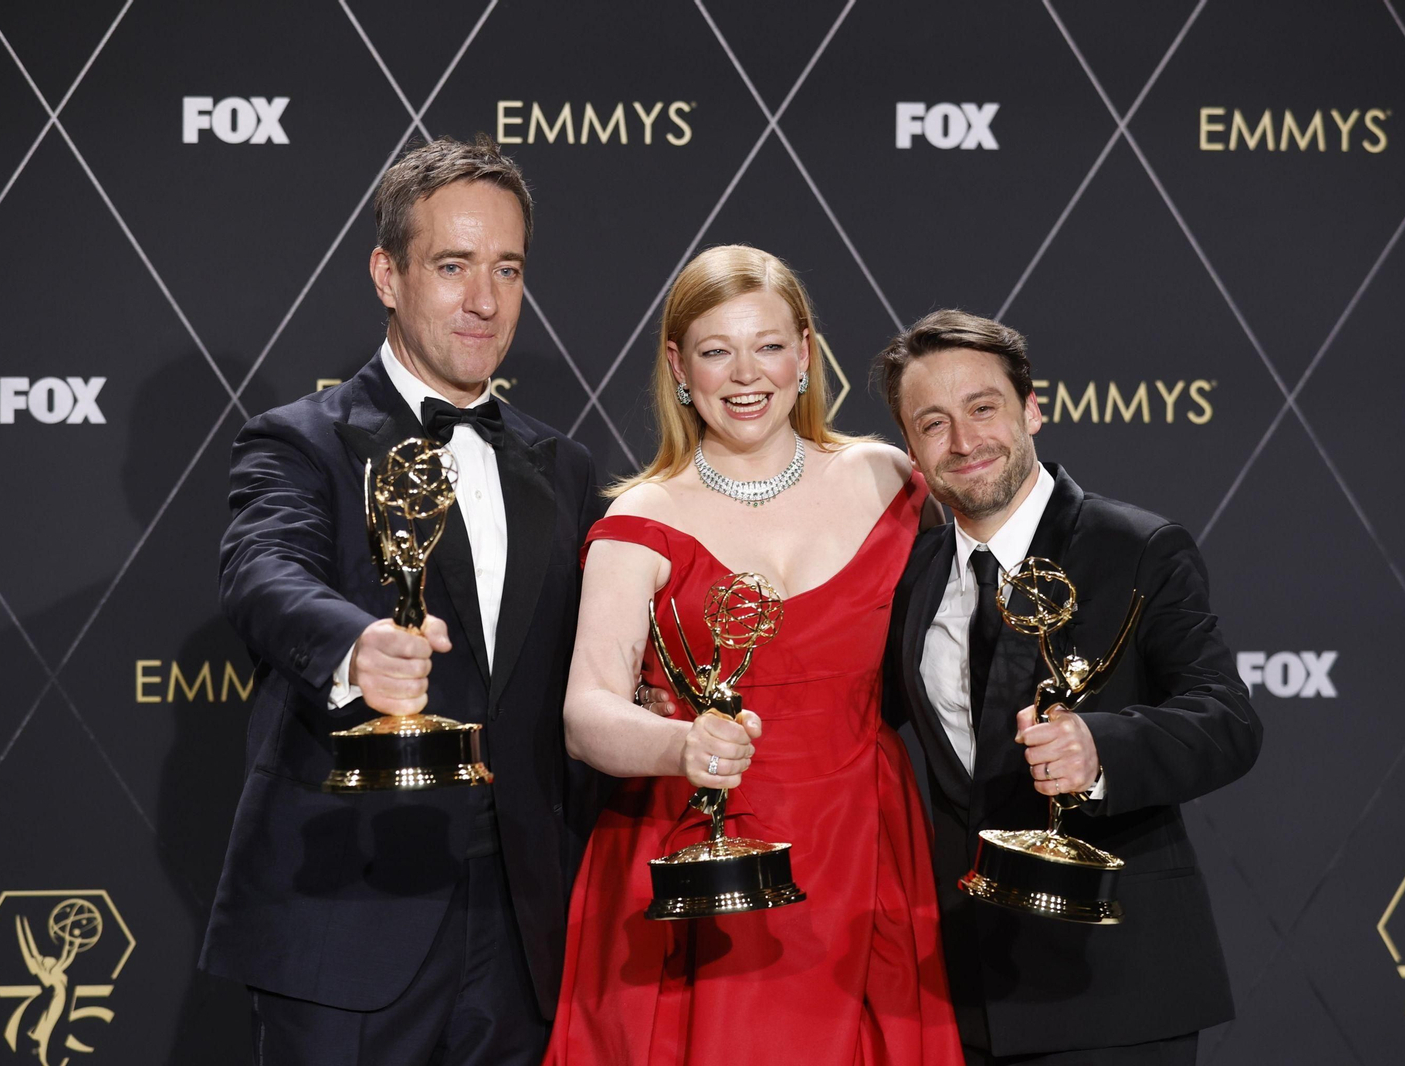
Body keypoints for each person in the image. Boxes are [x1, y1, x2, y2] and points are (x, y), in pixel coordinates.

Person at [199, 135, 602, 1065]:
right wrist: (354, 648)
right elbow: (264, 571)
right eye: (453, 266)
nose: (485, 300)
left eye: (507, 268)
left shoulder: (564, 465)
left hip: (525, 928)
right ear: (388, 274)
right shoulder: (301, 441)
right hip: (347, 913)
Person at [543, 245, 964, 1065]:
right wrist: (681, 744)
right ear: (678, 367)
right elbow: (586, 713)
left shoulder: (889, 481)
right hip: (700, 853)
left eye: (768, 346)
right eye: (715, 350)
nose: (746, 374)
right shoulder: (640, 519)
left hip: (863, 847)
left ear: (804, 354)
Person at [876, 310, 1262, 1066]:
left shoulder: (1137, 547)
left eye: (983, 408)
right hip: (961, 994)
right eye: (933, 423)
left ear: (1031, 409)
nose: (964, 441)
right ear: (912, 449)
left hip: (1113, 984)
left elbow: (1228, 719)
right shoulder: (909, 577)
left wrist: (1101, 749)